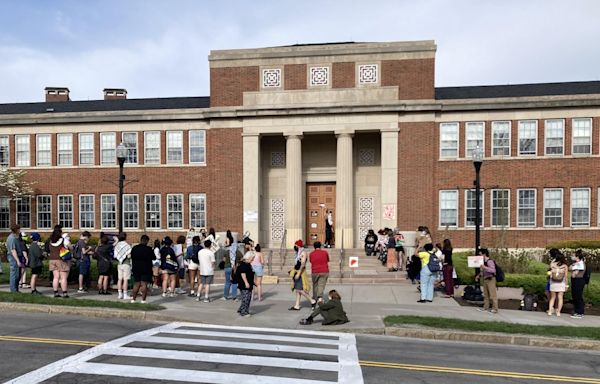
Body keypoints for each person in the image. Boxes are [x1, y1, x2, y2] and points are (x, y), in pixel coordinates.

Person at [289, 240, 317, 311]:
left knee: (299, 289)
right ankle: (297, 305)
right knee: (298, 289)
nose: (294, 246)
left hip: (300, 273)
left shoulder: (303, 253)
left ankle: (312, 301)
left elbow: (303, 264)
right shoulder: (298, 253)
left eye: (295, 245)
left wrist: (298, 273)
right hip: (296, 271)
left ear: (298, 245)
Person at [48, 227, 72, 298]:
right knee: (63, 277)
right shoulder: (64, 240)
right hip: (61, 260)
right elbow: (71, 247)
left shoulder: (51, 241)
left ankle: (55, 292)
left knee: (55, 277)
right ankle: (64, 293)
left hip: (52, 260)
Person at [130, 235, 154, 304]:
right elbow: (154, 257)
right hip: (146, 269)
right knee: (144, 284)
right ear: (146, 241)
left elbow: (132, 257)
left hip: (136, 268)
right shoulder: (149, 249)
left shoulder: (134, 248)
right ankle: (143, 300)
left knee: (136, 284)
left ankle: (133, 299)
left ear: (141, 240)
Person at [476, 248, 498, 313]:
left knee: (493, 295)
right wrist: (479, 276)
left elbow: (493, 270)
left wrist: (485, 267)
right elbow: (484, 272)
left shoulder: (489, 261)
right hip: (485, 279)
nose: (479, 256)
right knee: (486, 295)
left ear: (484, 254)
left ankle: (495, 309)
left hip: (491, 279)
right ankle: (485, 307)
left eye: (480, 254)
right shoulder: (483, 262)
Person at [547, 252, 568, 317]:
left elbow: (549, 273)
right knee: (560, 298)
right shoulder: (565, 266)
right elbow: (566, 277)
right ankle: (558, 312)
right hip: (561, 283)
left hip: (553, 283)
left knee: (552, 297)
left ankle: (550, 311)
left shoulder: (552, 265)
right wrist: (566, 285)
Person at [114, 233, 132, 300]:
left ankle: (119, 294)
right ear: (125, 237)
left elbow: (115, 256)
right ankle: (125, 295)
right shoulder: (127, 245)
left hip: (119, 264)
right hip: (126, 263)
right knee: (125, 280)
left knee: (119, 279)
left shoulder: (117, 246)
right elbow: (129, 255)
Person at [237, 251, 255, 317]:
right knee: (246, 298)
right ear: (248, 257)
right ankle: (243, 312)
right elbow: (243, 274)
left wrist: (252, 282)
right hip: (244, 284)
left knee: (247, 297)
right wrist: (246, 282)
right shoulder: (243, 264)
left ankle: (242, 309)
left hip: (248, 284)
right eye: (252, 258)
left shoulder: (248, 264)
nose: (253, 259)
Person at [5, 224, 23, 292]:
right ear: (16, 230)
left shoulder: (15, 237)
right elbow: (13, 250)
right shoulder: (12, 238)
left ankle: (16, 289)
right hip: (13, 257)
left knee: (17, 273)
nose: (20, 230)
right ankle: (13, 290)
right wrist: (17, 261)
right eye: (19, 229)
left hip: (16, 256)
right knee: (14, 273)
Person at [570, 249, 586, 319]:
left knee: (578, 296)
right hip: (574, 280)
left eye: (573, 256)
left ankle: (580, 312)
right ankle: (576, 311)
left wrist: (573, 269)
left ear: (577, 257)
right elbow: (570, 268)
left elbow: (575, 272)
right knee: (575, 296)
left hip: (579, 281)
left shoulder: (581, 264)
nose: (572, 257)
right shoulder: (576, 263)